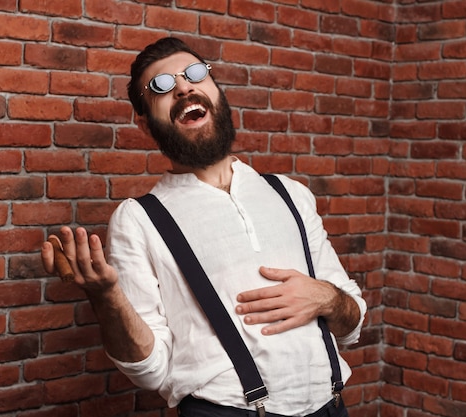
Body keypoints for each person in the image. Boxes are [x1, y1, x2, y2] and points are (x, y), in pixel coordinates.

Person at [41, 37, 367, 417]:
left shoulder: (291, 194)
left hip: (332, 407)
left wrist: (327, 298)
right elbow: (150, 371)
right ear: (146, 125)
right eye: (161, 86)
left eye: (195, 73)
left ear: (216, 92)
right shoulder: (139, 219)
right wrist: (106, 295)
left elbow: (352, 322)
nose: (183, 86)